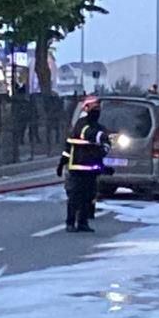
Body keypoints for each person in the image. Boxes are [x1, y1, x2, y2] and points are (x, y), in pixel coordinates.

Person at [57, 97, 112, 233]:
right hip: (77, 167)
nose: (96, 112)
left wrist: (103, 166)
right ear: (87, 110)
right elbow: (86, 134)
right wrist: (62, 163)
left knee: (88, 197)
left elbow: (103, 148)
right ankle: (70, 223)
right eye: (94, 109)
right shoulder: (81, 124)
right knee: (75, 196)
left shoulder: (99, 127)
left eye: (98, 110)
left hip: (91, 170)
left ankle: (83, 222)